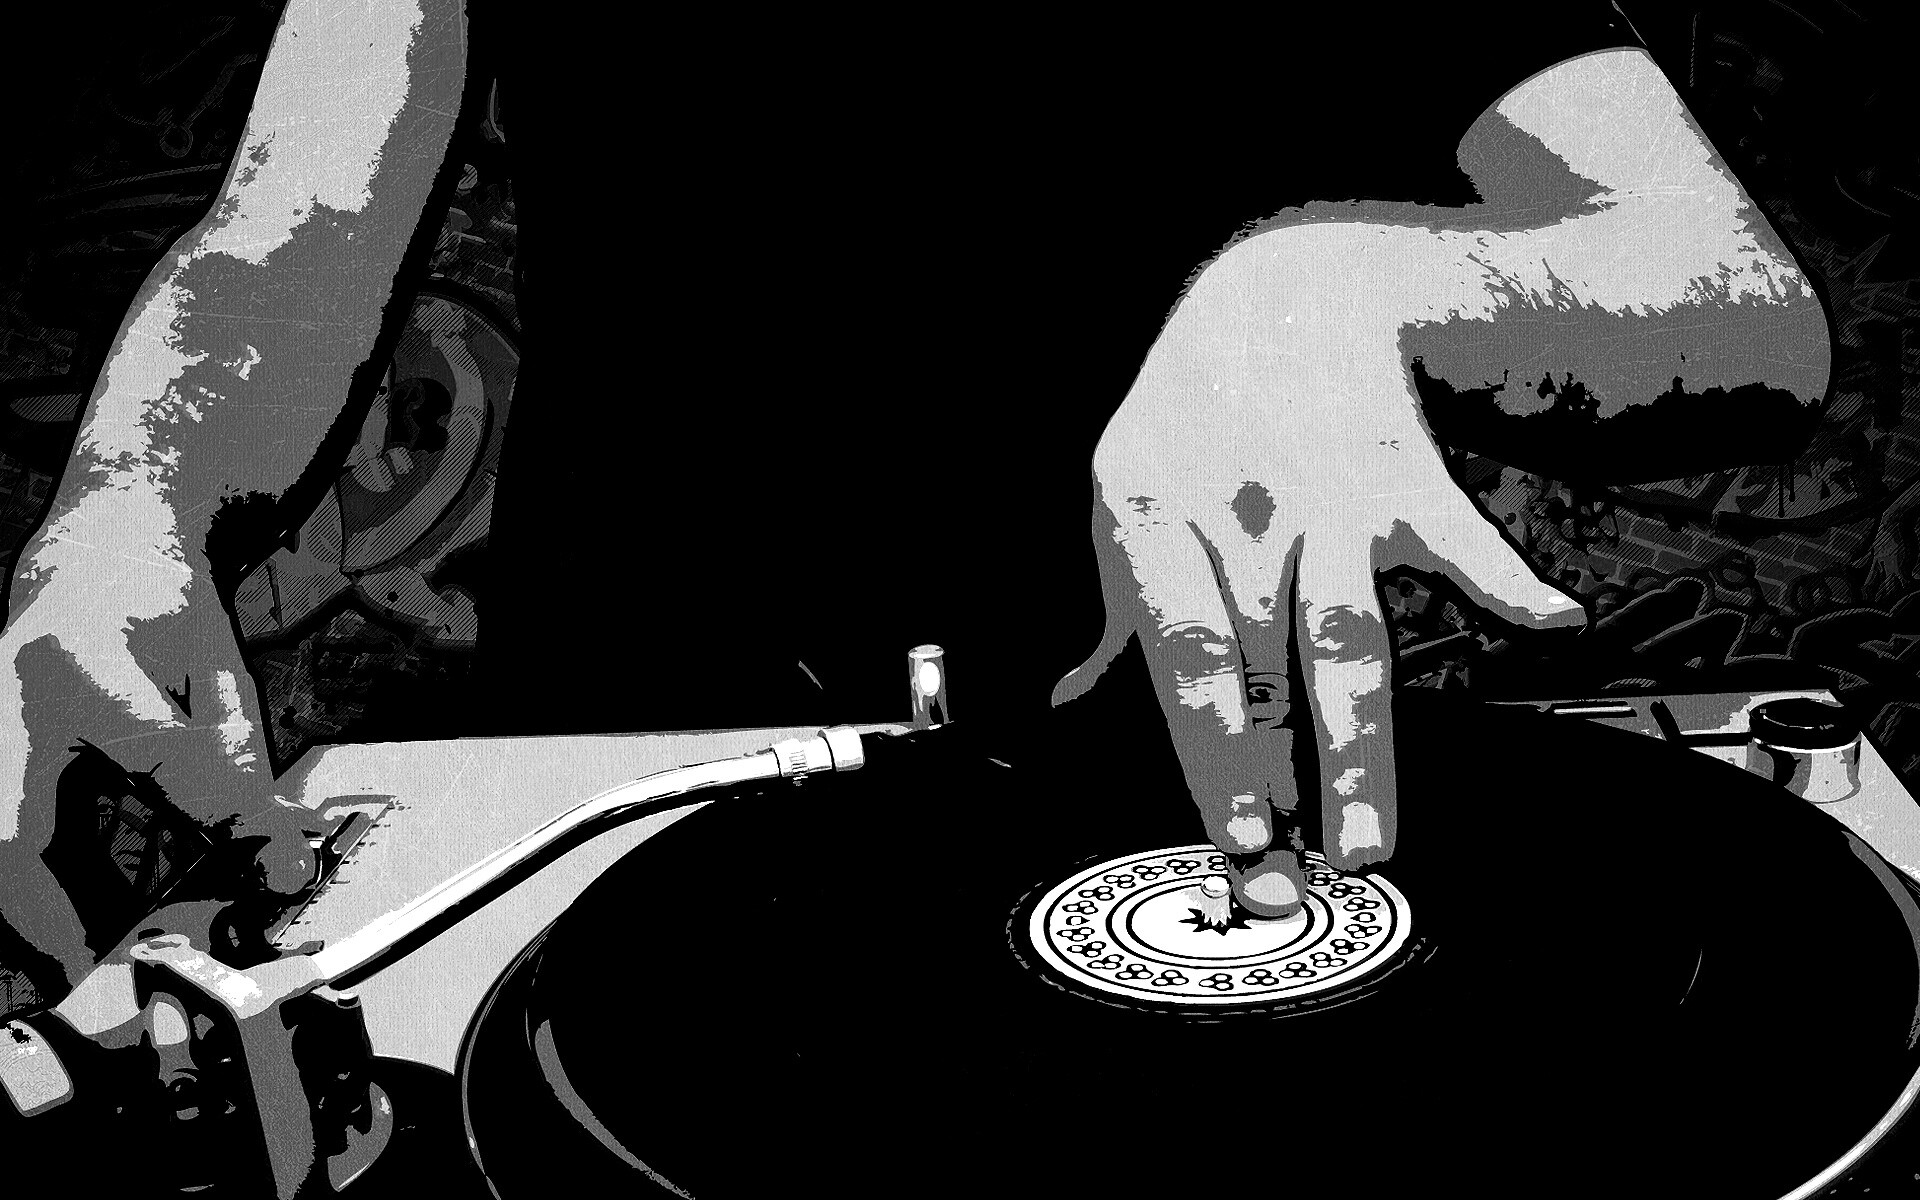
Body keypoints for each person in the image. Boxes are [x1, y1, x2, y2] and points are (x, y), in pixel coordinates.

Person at [0, 3, 1832, 996]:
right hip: (612, 818)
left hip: (1153, 809)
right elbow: (291, 233)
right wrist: (129, 497)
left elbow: (1731, 290)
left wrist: (1346, 290)